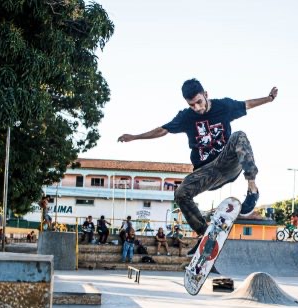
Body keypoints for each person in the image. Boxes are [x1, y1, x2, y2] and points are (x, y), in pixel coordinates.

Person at [118, 78, 278, 255]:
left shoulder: (223, 106)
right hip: (206, 172)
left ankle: (252, 189)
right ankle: (205, 234)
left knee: (239, 136)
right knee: (180, 193)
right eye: (192, 105)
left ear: (206, 95)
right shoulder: (186, 117)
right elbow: (162, 130)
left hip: (227, 163)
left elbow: (247, 104)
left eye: (199, 102)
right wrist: (135, 137)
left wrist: (269, 98)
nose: (197, 108)